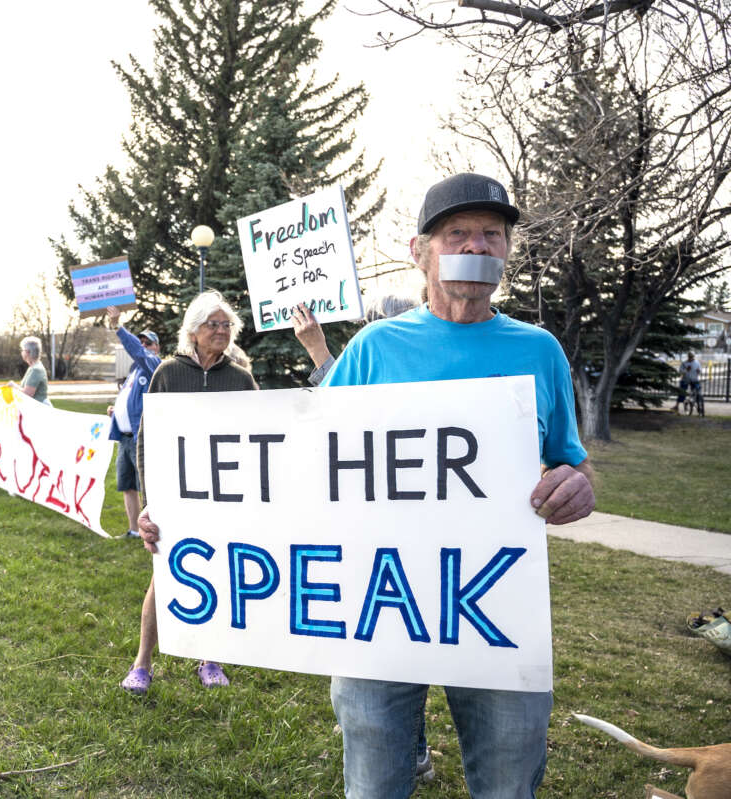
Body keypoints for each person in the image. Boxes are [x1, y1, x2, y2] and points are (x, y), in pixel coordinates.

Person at [311, 172, 596, 798]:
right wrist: (201, 522)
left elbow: (571, 461)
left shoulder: (540, 350)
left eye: (492, 235)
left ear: (507, 251)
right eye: (457, 234)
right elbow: (303, 465)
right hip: (378, 605)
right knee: (374, 784)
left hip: (493, 605)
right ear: (421, 252)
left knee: (507, 782)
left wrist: (576, 484)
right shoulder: (374, 348)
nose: (477, 246)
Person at [292, 292, 436, 783]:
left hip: (419, 539)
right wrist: (317, 350)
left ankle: (412, 744)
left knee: (410, 643)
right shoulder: (368, 364)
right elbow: (337, 407)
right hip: (371, 539)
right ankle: (403, 742)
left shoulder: (432, 380)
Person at [120, 290, 258, 695]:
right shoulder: (167, 373)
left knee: (215, 573)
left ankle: (210, 658)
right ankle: (142, 663)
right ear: (193, 331)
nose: (220, 331)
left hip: (224, 495)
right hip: (175, 495)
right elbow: (146, 440)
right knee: (164, 575)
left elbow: (260, 434)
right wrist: (148, 503)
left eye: (226, 324)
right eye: (212, 324)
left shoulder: (240, 378)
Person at [104, 305, 162, 539]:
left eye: (148, 343)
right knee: (127, 485)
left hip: (141, 438)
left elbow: (137, 351)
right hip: (125, 438)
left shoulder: (152, 364)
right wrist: (116, 412)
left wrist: (118, 326)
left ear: (156, 347)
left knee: (147, 487)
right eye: (142, 342)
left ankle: (154, 531)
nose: (144, 346)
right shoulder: (134, 371)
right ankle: (134, 530)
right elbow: (130, 400)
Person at [18, 336, 50, 404]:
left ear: (27, 352)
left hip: (40, 409)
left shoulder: (36, 370)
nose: (21, 352)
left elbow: (27, 394)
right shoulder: (33, 367)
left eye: (22, 350)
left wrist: (13, 386)